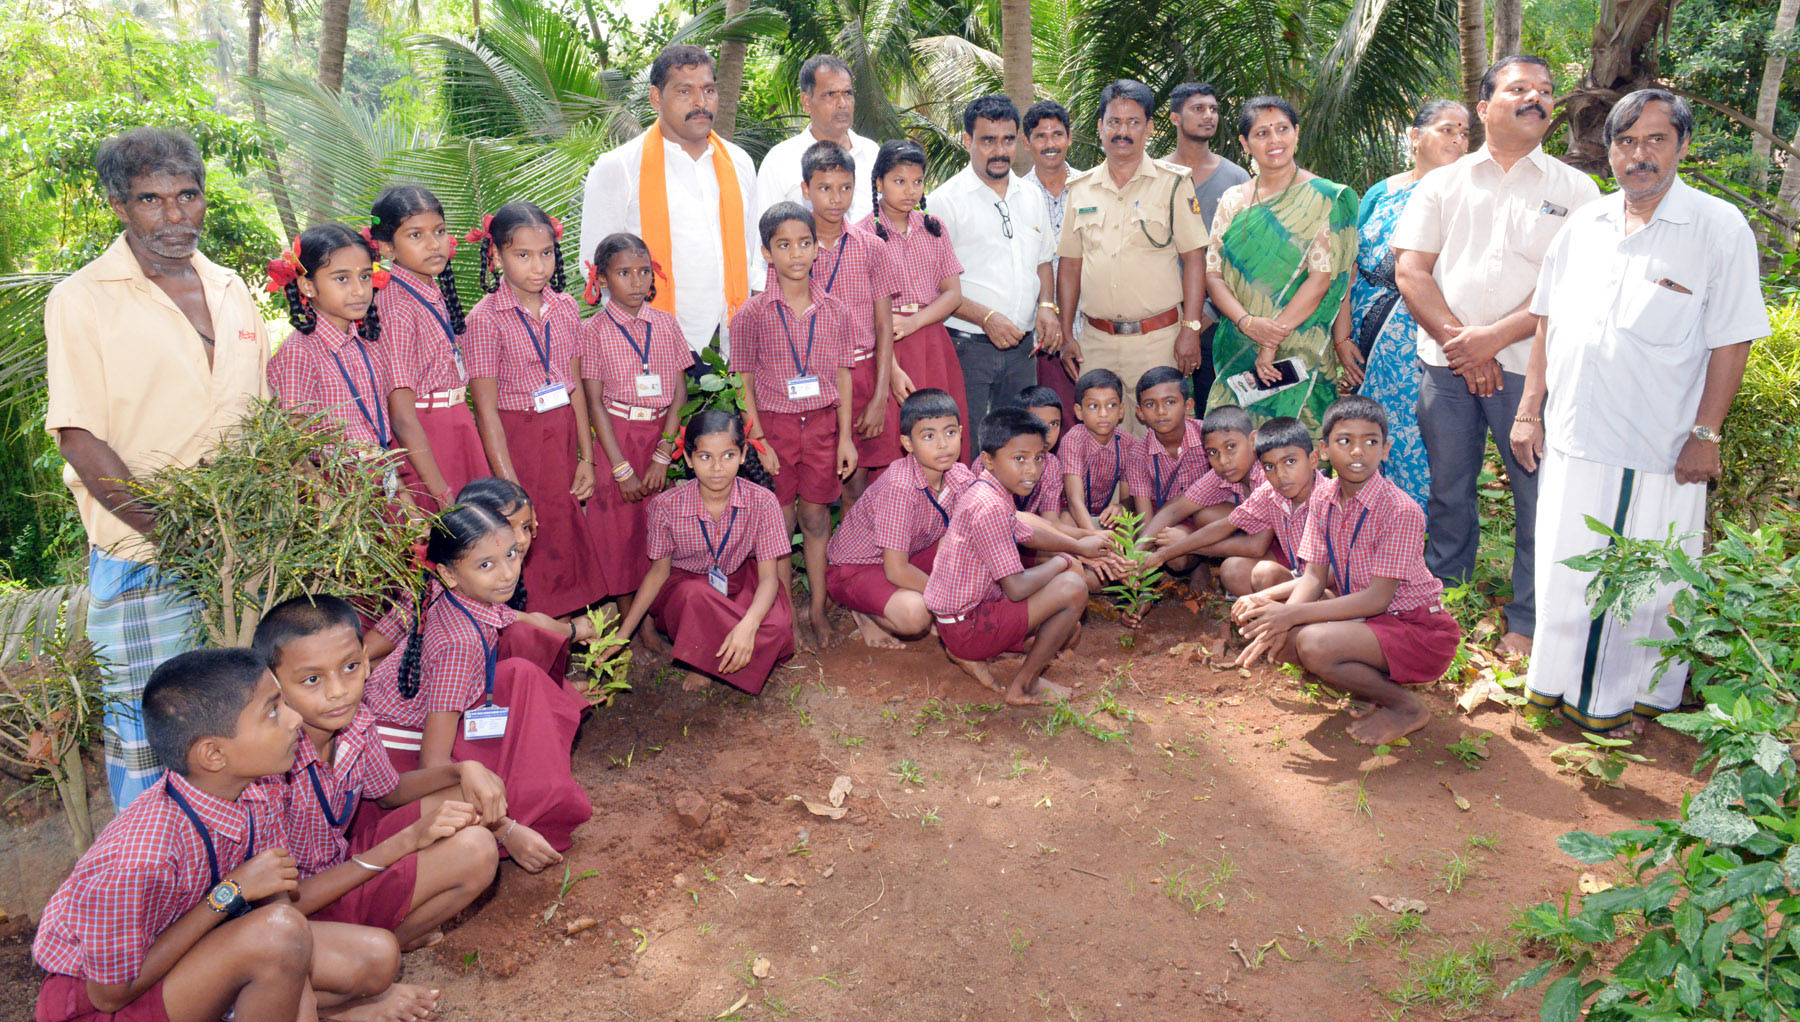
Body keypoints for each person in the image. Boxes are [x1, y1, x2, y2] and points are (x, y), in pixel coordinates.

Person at [1511, 90, 1767, 732]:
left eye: (1656, 140)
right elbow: (1546, 323)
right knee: (1566, 567)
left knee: (1643, 585)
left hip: (1655, 447)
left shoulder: (1717, 227)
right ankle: (1556, 684)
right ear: (1610, 151)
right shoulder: (1586, 223)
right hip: (1572, 438)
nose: (1639, 155)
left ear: (1683, 146)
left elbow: (1732, 337)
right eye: (1626, 142)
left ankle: (1621, 703)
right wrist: (1529, 409)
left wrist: (1705, 434)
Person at [45, 127, 271, 811]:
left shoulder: (232, 291)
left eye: (188, 196)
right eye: (151, 200)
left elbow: (260, 425)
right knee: (149, 741)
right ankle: (150, 902)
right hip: (143, 556)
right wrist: (176, 535)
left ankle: (237, 886)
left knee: (239, 736)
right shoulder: (83, 299)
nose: (174, 218)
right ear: (119, 205)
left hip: (240, 557)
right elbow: (80, 437)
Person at [32, 649, 433, 1022]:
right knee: (278, 936)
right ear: (213, 755)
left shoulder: (257, 790)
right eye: (273, 712)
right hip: (100, 1005)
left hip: (201, 951)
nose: (295, 719)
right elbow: (109, 994)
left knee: (378, 956)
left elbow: (277, 907)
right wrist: (229, 893)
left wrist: (301, 997)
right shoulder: (142, 857)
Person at [1391, 55, 1602, 658]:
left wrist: (1492, 340)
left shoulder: (1576, 190)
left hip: (1531, 376)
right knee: (1449, 490)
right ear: (1485, 108)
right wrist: (1466, 344)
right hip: (1447, 367)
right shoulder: (1443, 183)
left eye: (1545, 91)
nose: (1535, 97)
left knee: (1536, 497)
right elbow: (1412, 269)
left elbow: (1573, 285)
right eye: (1518, 88)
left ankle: (1528, 621)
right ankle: (1444, 604)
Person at [252, 596, 500, 950]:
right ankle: (361, 960)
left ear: (367, 662)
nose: (338, 691)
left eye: (350, 667)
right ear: (274, 686)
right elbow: (283, 905)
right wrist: (406, 841)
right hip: (298, 910)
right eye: (311, 679)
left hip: (346, 868)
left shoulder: (357, 723)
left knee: (464, 800)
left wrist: (462, 771)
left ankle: (383, 946)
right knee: (476, 849)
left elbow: (389, 793)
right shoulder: (268, 770)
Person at [363, 504, 592, 872]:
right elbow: (433, 764)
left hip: (409, 731)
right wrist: (505, 829)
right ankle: (532, 813)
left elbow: (524, 619)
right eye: (486, 565)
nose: (507, 574)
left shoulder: (455, 592)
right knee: (522, 691)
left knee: (521, 676)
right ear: (449, 573)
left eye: (512, 555)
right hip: (396, 769)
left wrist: (578, 630)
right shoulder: (460, 644)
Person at [1236, 396, 1461, 745]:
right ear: (1324, 450)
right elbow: (1313, 577)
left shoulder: (1401, 510)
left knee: (1312, 642)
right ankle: (1369, 688)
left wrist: (1290, 614)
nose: (1358, 451)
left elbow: (1377, 599)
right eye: (1345, 441)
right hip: (1367, 622)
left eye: (1370, 441)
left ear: (1385, 450)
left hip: (1417, 628)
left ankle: (1406, 708)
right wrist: (1281, 621)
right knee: (1285, 639)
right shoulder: (1323, 500)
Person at [464, 201, 606, 620]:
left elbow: (574, 385)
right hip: (518, 440)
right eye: (522, 255)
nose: (537, 266)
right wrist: (512, 491)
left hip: (561, 433)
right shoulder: (485, 319)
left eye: (545, 253)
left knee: (563, 539)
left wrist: (586, 456)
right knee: (526, 539)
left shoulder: (564, 307)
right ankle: (537, 649)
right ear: (496, 256)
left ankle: (564, 643)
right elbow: (485, 411)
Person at [923, 407, 1118, 704]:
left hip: (961, 618)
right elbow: (1016, 588)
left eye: (1038, 458)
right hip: (968, 626)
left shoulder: (988, 491)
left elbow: (1028, 532)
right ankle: (1024, 686)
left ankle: (988, 652)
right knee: (1073, 588)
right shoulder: (990, 507)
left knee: (1069, 628)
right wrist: (1065, 560)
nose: (1031, 469)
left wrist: (1079, 546)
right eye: (1019, 459)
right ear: (988, 460)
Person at [577, 44, 758, 364]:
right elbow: (595, 268)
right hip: (646, 348)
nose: (701, 103)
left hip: (731, 342)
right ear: (655, 98)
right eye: (684, 91)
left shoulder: (739, 163)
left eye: (709, 90)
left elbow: (751, 251)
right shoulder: (617, 168)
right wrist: (637, 341)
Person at [731, 202, 857, 648]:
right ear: (767, 253)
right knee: (779, 522)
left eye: (805, 243)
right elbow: (741, 379)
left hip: (823, 425)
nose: (796, 254)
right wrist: (757, 439)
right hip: (775, 428)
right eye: (783, 245)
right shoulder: (751, 314)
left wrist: (844, 437)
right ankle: (784, 616)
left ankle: (817, 609)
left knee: (817, 516)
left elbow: (844, 374)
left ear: (817, 249)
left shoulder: (836, 310)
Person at [603, 411, 797, 695]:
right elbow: (658, 573)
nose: (717, 467)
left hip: (741, 578)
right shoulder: (666, 506)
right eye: (705, 457)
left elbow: (769, 579)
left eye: (728, 456)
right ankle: (701, 662)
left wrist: (748, 626)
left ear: (743, 455)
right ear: (689, 459)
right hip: (687, 586)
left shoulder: (763, 501)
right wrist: (622, 635)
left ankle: (731, 645)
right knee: (695, 595)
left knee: (777, 627)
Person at [1058, 80, 1211, 430]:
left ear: (1150, 128)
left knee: (1158, 446)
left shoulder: (1172, 183)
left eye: (1133, 122)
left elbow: (1194, 259)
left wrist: (1191, 328)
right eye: (1114, 122)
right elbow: (1070, 265)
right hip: (1096, 343)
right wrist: (1068, 334)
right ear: (1100, 127)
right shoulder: (1080, 190)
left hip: (1158, 341)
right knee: (1102, 450)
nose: (1122, 132)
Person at [1204, 95, 1359, 426]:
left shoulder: (1325, 198)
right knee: (1236, 444)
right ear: (1245, 143)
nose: (1274, 140)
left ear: (1296, 133)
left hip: (1301, 349)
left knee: (1298, 448)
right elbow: (1213, 275)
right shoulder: (1234, 200)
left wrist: (1271, 340)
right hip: (1239, 346)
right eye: (1262, 133)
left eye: (1282, 129)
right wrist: (1248, 324)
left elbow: (1321, 280)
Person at [1349, 100, 1470, 511]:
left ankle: (1417, 537)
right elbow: (1351, 263)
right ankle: (1367, 532)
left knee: (1420, 437)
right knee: (1367, 433)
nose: (1457, 139)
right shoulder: (1381, 192)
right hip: (1366, 335)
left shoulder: (1468, 194)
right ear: (1415, 137)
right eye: (1447, 129)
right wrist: (1341, 335)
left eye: (1465, 132)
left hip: (1427, 337)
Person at [929, 95, 1062, 442]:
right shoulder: (945, 200)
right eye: (988, 140)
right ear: (967, 141)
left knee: (1018, 444)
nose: (999, 150)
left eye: (1007, 139)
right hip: (966, 348)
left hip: (1022, 351)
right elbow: (934, 284)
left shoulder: (1031, 195)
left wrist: (1047, 307)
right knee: (968, 444)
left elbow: (1043, 261)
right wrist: (986, 318)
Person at [580, 233, 691, 610]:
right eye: (624, 273)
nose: (636, 282)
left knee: (654, 528)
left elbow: (679, 394)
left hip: (659, 435)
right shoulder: (592, 331)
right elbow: (594, 401)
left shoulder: (666, 324)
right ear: (603, 278)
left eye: (644, 272)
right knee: (619, 535)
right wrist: (622, 469)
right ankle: (632, 625)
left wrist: (664, 453)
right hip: (618, 438)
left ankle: (655, 612)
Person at [371, 184, 489, 511]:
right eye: (415, 235)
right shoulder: (395, 305)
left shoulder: (429, 291)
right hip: (426, 438)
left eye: (439, 231)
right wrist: (440, 492)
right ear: (386, 248)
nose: (433, 244)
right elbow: (401, 415)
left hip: (455, 425)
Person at [825, 389, 973, 648]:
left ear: (961, 431)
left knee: (974, 542)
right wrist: (949, 597)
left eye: (950, 432)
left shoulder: (958, 474)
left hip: (905, 556)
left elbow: (1001, 519)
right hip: (855, 568)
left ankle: (929, 605)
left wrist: (1067, 540)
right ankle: (864, 612)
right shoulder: (899, 487)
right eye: (928, 436)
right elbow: (896, 569)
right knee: (915, 616)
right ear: (907, 443)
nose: (942, 444)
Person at [858, 139, 972, 461]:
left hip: (932, 343)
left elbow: (953, 295)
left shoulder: (934, 230)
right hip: (884, 345)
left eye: (917, 182)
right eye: (899, 181)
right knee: (894, 441)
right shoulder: (862, 235)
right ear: (879, 182)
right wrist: (891, 369)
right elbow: (861, 310)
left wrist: (914, 323)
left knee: (939, 437)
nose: (910, 190)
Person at [799, 141, 900, 500]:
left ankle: (854, 556)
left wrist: (879, 397)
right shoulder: (793, 247)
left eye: (845, 188)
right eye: (824, 188)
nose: (835, 199)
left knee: (858, 483)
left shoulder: (871, 247)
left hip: (862, 375)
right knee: (817, 487)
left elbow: (885, 327)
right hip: (811, 377)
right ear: (805, 190)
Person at [1146, 415, 1324, 599]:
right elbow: (1221, 524)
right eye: (1270, 466)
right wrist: (1157, 555)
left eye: (1290, 462)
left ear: (1313, 459)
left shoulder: (1324, 499)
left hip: (1329, 589)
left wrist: (1184, 545)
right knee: (1211, 527)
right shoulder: (1270, 490)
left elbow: (1320, 579)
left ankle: (1284, 617)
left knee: (1268, 581)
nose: (1280, 474)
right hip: (1301, 576)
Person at [264, 225, 394, 461]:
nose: (359, 290)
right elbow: (293, 446)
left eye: (365, 276)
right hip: (334, 483)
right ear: (308, 286)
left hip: (378, 471)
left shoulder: (365, 342)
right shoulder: (299, 353)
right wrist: (325, 498)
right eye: (342, 279)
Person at [1163, 81, 1251, 406]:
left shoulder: (1237, 178)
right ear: (1175, 117)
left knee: (1215, 413)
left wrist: (1206, 314)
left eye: (1213, 109)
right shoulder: (1158, 175)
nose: (1209, 116)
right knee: (1160, 410)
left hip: (1219, 321)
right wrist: (1181, 317)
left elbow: (1241, 255)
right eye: (1198, 109)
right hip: (1162, 319)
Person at [1137, 404, 1266, 578]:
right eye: (1213, 452)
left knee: (1233, 572)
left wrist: (1181, 546)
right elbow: (1176, 508)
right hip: (1262, 541)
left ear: (1253, 441)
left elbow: (1257, 546)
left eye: (1231, 447)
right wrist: (1137, 552)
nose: (1223, 460)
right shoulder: (1222, 473)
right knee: (1205, 515)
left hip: (1287, 551)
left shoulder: (1267, 474)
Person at [752, 54, 882, 222]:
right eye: (830, 94)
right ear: (807, 102)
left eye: (848, 93)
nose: (842, 103)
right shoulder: (780, 161)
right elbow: (764, 233)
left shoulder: (872, 153)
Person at [1022, 100, 1084, 423]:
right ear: (1026, 142)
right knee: (1048, 428)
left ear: (1069, 138)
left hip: (1092, 331)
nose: (1050, 144)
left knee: (1097, 426)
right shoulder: (1015, 196)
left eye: (1057, 134)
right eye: (1040, 136)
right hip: (1040, 338)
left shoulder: (1091, 187)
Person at [1126, 366, 1209, 519]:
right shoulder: (1138, 454)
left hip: (1209, 518)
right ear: (1140, 412)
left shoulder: (1208, 436)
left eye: (1170, 402)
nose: (1161, 412)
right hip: (1164, 522)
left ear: (1188, 406)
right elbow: (1145, 518)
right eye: (1150, 404)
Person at [1059, 368, 1136, 530]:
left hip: (1101, 513)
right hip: (1068, 510)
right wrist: (1096, 537)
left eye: (1111, 405)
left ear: (1121, 410)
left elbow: (1127, 497)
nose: (1103, 413)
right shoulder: (1073, 440)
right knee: (1066, 521)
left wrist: (1121, 507)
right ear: (1079, 412)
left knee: (1125, 524)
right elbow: (1074, 500)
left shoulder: (1128, 443)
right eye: (1094, 406)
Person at [1015, 385, 1070, 521]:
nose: (1048, 433)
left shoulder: (1052, 464)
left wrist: (1089, 536)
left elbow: (1050, 519)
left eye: (1054, 424)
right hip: (995, 531)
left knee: (1066, 519)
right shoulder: (1000, 458)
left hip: (1031, 532)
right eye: (1038, 423)